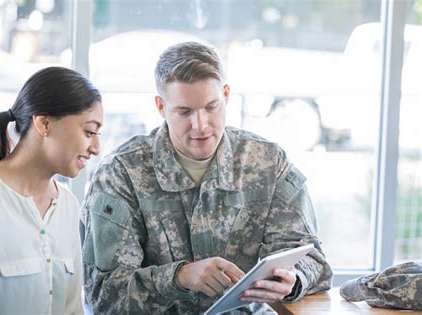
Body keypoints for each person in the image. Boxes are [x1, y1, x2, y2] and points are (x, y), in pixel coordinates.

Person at [81, 42, 332, 314]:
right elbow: (104, 295)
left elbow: (313, 260)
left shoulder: (268, 162)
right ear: (161, 106)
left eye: (211, 107)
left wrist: (293, 280)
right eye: (184, 112)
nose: (200, 125)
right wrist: (180, 277)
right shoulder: (121, 173)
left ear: (225, 95)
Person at [0, 67, 103, 315]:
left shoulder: (69, 206)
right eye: (89, 132)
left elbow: (72, 308)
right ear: (44, 123)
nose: (96, 148)